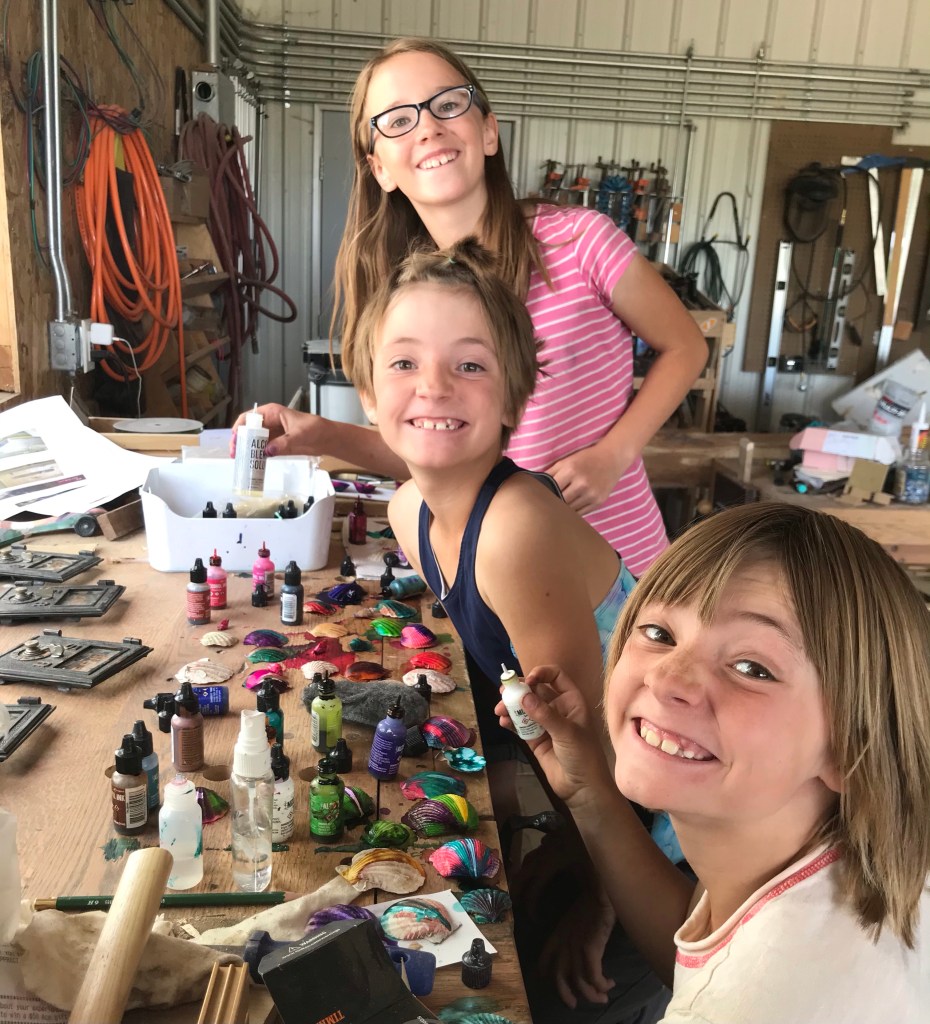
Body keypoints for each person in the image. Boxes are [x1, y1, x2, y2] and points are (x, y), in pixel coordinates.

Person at [233, 37, 707, 577]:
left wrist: (613, 455)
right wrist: (320, 434)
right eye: (398, 119)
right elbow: (438, 445)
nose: (428, 128)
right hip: (493, 578)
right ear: (379, 167)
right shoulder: (405, 296)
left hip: (625, 570)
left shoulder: (579, 241)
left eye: (447, 103)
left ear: (487, 130)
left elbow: (686, 346)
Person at [346, 237, 669, 1023]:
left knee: (560, 999)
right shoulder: (409, 512)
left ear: (514, 400)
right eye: (404, 362)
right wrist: (513, 828)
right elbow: (504, 682)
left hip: (662, 837)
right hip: (587, 814)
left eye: (470, 364)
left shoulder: (516, 530)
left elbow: (592, 752)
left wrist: (596, 907)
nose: (434, 385)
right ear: (366, 391)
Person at [497, 501, 930, 1022]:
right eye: (660, 633)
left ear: (851, 747)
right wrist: (588, 789)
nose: (667, 677)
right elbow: (701, 962)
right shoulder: (824, 851)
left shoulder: (758, 1004)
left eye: (752, 667)